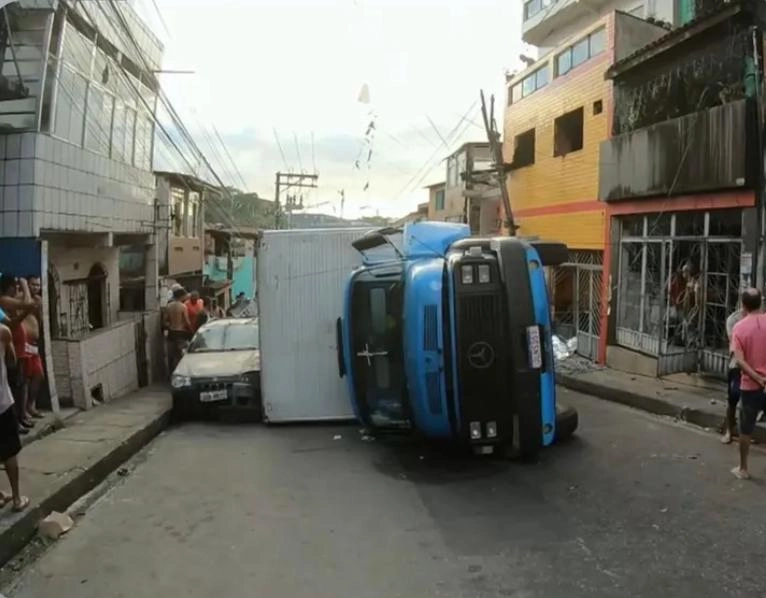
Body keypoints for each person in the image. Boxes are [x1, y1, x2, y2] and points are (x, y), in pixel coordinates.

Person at [729, 288, 766, 480]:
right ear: (760, 303)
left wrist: (758, 378)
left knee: (746, 428)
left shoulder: (739, 328)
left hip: (750, 386)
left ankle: (743, 468)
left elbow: (740, 361)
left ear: (743, 305)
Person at [0, 321, 29, 512]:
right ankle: (17, 498)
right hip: (2, 403)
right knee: (9, 452)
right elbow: (12, 361)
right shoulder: (2, 331)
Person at [19, 276, 44, 420]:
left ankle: (31, 404)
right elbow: (26, 305)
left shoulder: (38, 300)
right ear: (27, 284)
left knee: (39, 375)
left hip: (34, 344)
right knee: (26, 378)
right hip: (25, 343)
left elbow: (39, 321)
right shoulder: (21, 297)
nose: (36, 288)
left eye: (38, 285)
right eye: (33, 284)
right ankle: (25, 410)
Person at [722, 305, 745, 444]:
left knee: (749, 402)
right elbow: (735, 345)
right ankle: (729, 430)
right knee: (733, 399)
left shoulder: (760, 320)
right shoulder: (733, 320)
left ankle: (744, 433)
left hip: (755, 368)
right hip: (736, 366)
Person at [164, 287, 192, 374]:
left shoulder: (168, 306)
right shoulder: (183, 306)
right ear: (181, 296)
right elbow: (187, 321)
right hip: (181, 332)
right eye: (184, 296)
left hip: (171, 333)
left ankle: (170, 372)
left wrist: (169, 326)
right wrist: (192, 331)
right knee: (181, 355)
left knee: (171, 355)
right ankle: (181, 372)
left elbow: (164, 321)